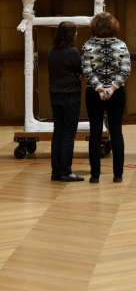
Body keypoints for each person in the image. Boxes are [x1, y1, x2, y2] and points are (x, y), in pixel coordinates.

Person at [82, 12, 131, 184]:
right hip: (117, 93)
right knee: (116, 132)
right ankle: (118, 175)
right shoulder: (121, 45)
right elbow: (125, 70)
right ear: (113, 26)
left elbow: (86, 70)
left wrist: (99, 87)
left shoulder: (88, 45)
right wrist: (113, 88)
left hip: (93, 93)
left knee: (95, 133)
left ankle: (95, 175)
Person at [48, 21, 84, 182]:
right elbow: (81, 70)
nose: (77, 34)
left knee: (58, 133)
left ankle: (56, 171)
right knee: (69, 134)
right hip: (70, 95)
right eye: (75, 32)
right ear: (71, 35)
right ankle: (66, 171)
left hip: (55, 95)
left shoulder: (52, 51)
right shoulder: (72, 52)